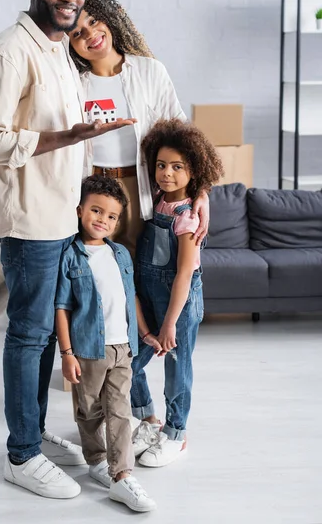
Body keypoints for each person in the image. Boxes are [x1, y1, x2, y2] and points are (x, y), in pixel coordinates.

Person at [0, 0, 135, 499]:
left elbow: (66, 133)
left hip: (60, 217)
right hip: (30, 222)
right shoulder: (6, 52)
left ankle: (33, 434)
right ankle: (20, 455)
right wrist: (68, 137)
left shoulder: (59, 51)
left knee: (43, 338)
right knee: (29, 335)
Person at [68, 0, 210, 257]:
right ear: (70, 45)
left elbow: (184, 136)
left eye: (93, 21)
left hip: (138, 185)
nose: (90, 34)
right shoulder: (73, 84)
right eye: (77, 33)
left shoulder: (149, 71)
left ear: (108, 18)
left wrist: (201, 191)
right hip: (92, 187)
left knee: (135, 269)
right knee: (94, 265)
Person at [55, 175, 156, 513]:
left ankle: (122, 475)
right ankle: (96, 457)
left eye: (111, 216)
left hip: (123, 348)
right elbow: (62, 308)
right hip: (87, 350)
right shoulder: (70, 256)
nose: (102, 220)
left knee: (119, 411)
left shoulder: (120, 254)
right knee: (88, 410)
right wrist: (67, 354)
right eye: (96, 211)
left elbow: (131, 299)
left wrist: (142, 334)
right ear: (80, 210)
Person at [130, 119, 224, 467]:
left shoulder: (186, 218)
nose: (166, 173)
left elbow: (184, 274)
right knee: (128, 362)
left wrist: (169, 324)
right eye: (161, 165)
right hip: (152, 298)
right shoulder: (154, 200)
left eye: (177, 167)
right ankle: (147, 420)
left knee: (176, 366)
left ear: (193, 171)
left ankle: (176, 433)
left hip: (178, 305)